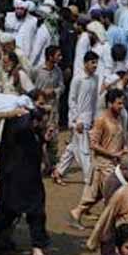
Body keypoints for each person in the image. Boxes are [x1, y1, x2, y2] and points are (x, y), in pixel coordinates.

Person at [0, 109, 56, 255]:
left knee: (36, 213)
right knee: (7, 212)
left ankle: (37, 250)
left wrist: (44, 138)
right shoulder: (17, 128)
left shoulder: (31, 131)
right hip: (14, 181)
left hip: (31, 180)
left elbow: (36, 148)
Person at [69, 87, 128, 228]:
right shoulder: (101, 120)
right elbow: (93, 144)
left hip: (114, 164)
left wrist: (124, 149)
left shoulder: (120, 118)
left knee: (95, 195)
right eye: (119, 103)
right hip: (103, 165)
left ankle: (77, 213)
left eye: (123, 103)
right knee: (113, 195)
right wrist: (112, 154)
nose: (122, 106)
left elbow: (120, 138)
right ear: (110, 103)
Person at [53, 51, 99, 186]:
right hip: (78, 119)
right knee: (84, 151)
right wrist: (76, 120)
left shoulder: (95, 78)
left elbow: (94, 100)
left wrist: (94, 118)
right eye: (92, 62)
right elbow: (71, 100)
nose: (95, 65)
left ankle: (58, 172)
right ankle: (89, 179)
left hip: (89, 118)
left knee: (73, 148)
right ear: (85, 63)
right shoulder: (78, 79)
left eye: (96, 63)